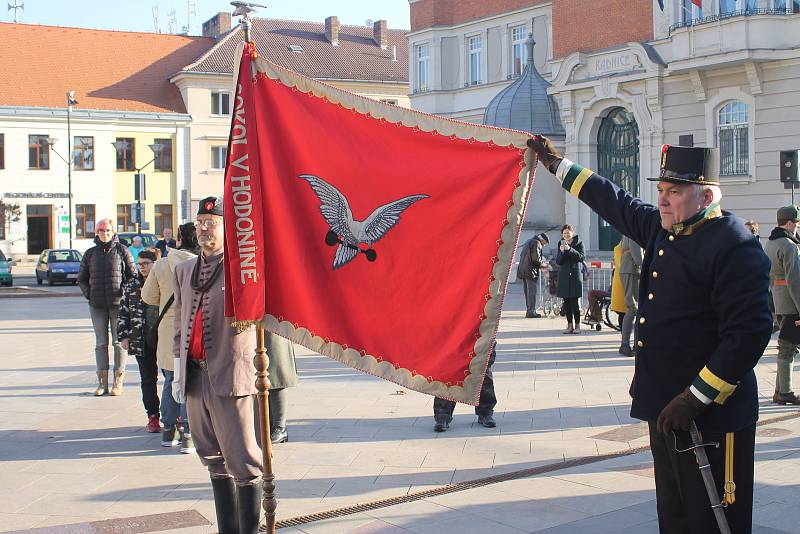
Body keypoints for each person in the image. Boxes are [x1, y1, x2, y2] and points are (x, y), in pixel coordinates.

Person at [529, 136, 772, 533]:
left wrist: (696, 397)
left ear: (706, 195)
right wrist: (558, 166)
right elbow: (614, 200)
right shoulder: (664, 228)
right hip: (665, 409)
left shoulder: (734, 244)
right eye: (660, 190)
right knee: (675, 517)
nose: (662, 200)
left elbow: (748, 334)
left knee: (714, 520)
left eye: (674, 192)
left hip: (711, 416)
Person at [172, 196, 295, 533]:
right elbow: (179, 322)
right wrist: (176, 366)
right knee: (211, 458)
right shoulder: (183, 271)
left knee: (244, 462)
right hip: (195, 377)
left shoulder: (245, 270)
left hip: (232, 376)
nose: (203, 228)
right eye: (199, 222)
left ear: (228, 229)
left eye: (211, 223)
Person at [142, 222, 199, 452]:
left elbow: (148, 297)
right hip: (194, 331)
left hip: (168, 333)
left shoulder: (162, 265)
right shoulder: (201, 263)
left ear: (178, 238)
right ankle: (188, 432)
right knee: (192, 384)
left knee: (170, 380)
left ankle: (168, 430)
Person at [78, 218, 136, 396]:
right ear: (96, 232)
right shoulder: (90, 254)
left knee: (118, 342)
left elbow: (132, 276)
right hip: (97, 305)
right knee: (100, 343)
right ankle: (102, 382)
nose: (104, 233)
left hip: (117, 304)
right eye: (101, 230)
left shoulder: (122, 251)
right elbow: (81, 278)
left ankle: (118, 381)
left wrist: (124, 293)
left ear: (113, 232)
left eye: (108, 230)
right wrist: (89, 293)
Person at [118, 248, 161, 432]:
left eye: (146, 264)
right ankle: (152, 415)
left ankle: (174, 415)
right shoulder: (131, 284)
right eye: (140, 264)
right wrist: (123, 335)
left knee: (170, 378)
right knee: (147, 379)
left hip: (163, 338)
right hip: (140, 339)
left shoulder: (164, 281)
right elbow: (123, 310)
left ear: (155, 263)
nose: (142, 268)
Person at [764, 206, 800, 405]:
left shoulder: (771, 243)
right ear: (789, 223)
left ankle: (780, 390)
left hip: (778, 301)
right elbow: (795, 281)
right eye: (796, 223)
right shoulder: (789, 245)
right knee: (787, 349)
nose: (796, 227)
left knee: (787, 347)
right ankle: (785, 391)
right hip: (791, 303)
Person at [433, 344, 497, 432]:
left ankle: (485, 412)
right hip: (453, 332)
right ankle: (442, 415)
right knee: (448, 370)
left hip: (481, 332)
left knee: (482, 368)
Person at [556, 224, 584, 334]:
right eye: (564, 233)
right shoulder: (560, 243)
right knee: (566, 302)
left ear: (572, 233)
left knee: (575, 302)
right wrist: (563, 252)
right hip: (564, 276)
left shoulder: (579, 243)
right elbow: (559, 261)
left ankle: (577, 325)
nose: (566, 235)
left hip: (575, 276)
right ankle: (569, 325)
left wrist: (570, 249)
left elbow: (581, 257)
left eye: (568, 233)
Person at [618, 235, 642, 357]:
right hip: (631, 269)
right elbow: (637, 252)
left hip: (630, 269)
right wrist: (644, 267)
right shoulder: (633, 229)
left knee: (634, 308)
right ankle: (625, 345)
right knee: (633, 308)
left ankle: (633, 345)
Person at [517, 232, 549, 318]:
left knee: (527, 292)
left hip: (523, 270)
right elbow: (536, 259)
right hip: (531, 271)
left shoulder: (529, 241)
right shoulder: (536, 243)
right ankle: (531, 311)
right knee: (532, 292)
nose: (544, 245)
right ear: (542, 240)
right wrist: (545, 265)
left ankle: (529, 310)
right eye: (544, 243)